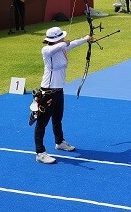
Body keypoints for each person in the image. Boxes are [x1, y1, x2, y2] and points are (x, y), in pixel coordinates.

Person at [33, 27, 93, 164]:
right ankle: (40, 152)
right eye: (61, 38)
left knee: (57, 118)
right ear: (56, 39)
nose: (64, 39)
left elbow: (73, 43)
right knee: (42, 123)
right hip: (47, 91)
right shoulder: (47, 50)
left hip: (58, 90)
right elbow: (60, 45)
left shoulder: (62, 47)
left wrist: (86, 39)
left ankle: (59, 142)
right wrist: (64, 43)